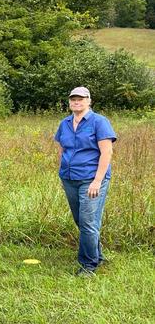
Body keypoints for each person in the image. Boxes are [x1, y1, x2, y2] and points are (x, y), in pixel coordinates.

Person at [55, 86, 117, 277]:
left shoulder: (99, 122)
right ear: (69, 102)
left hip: (91, 179)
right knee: (81, 220)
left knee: (88, 221)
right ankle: (97, 254)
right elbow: (62, 148)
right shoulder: (64, 123)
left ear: (89, 101)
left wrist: (97, 181)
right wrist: (62, 169)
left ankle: (88, 265)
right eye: (73, 99)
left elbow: (107, 152)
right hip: (69, 178)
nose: (76, 102)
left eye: (81, 99)